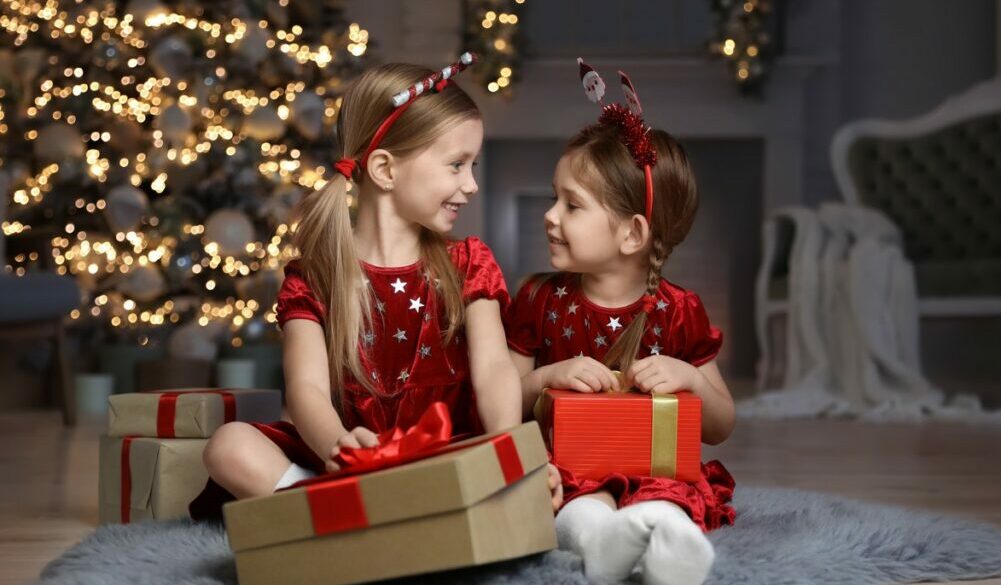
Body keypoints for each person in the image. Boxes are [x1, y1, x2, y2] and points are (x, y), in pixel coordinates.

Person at [190, 54, 527, 519]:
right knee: (228, 445)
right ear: (386, 170)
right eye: (456, 165)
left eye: (473, 165)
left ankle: (340, 521)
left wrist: (505, 451)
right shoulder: (316, 277)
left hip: (444, 452)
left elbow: (493, 370)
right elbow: (305, 389)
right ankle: (349, 512)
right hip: (349, 464)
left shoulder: (468, 262)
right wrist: (338, 449)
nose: (470, 185)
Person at [505, 59, 736, 585]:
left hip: (652, 469)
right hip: (565, 472)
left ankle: (667, 547)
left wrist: (692, 379)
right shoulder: (539, 299)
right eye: (553, 198)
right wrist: (546, 377)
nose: (550, 216)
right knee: (577, 504)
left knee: (668, 500)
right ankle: (600, 543)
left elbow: (721, 427)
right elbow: (499, 400)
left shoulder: (678, 310)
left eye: (572, 205)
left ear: (632, 235)